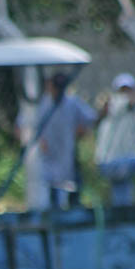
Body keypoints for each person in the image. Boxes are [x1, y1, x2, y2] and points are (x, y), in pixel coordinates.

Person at [17, 72, 97, 209]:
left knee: (73, 194)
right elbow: (21, 126)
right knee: (50, 197)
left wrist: (82, 130)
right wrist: (35, 141)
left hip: (68, 157)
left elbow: (90, 119)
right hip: (46, 160)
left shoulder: (72, 103)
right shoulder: (40, 105)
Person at [94, 72, 135, 205]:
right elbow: (133, 99)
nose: (125, 93)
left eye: (128, 89)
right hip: (111, 163)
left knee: (122, 196)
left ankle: (121, 214)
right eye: (122, 90)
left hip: (121, 161)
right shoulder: (115, 102)